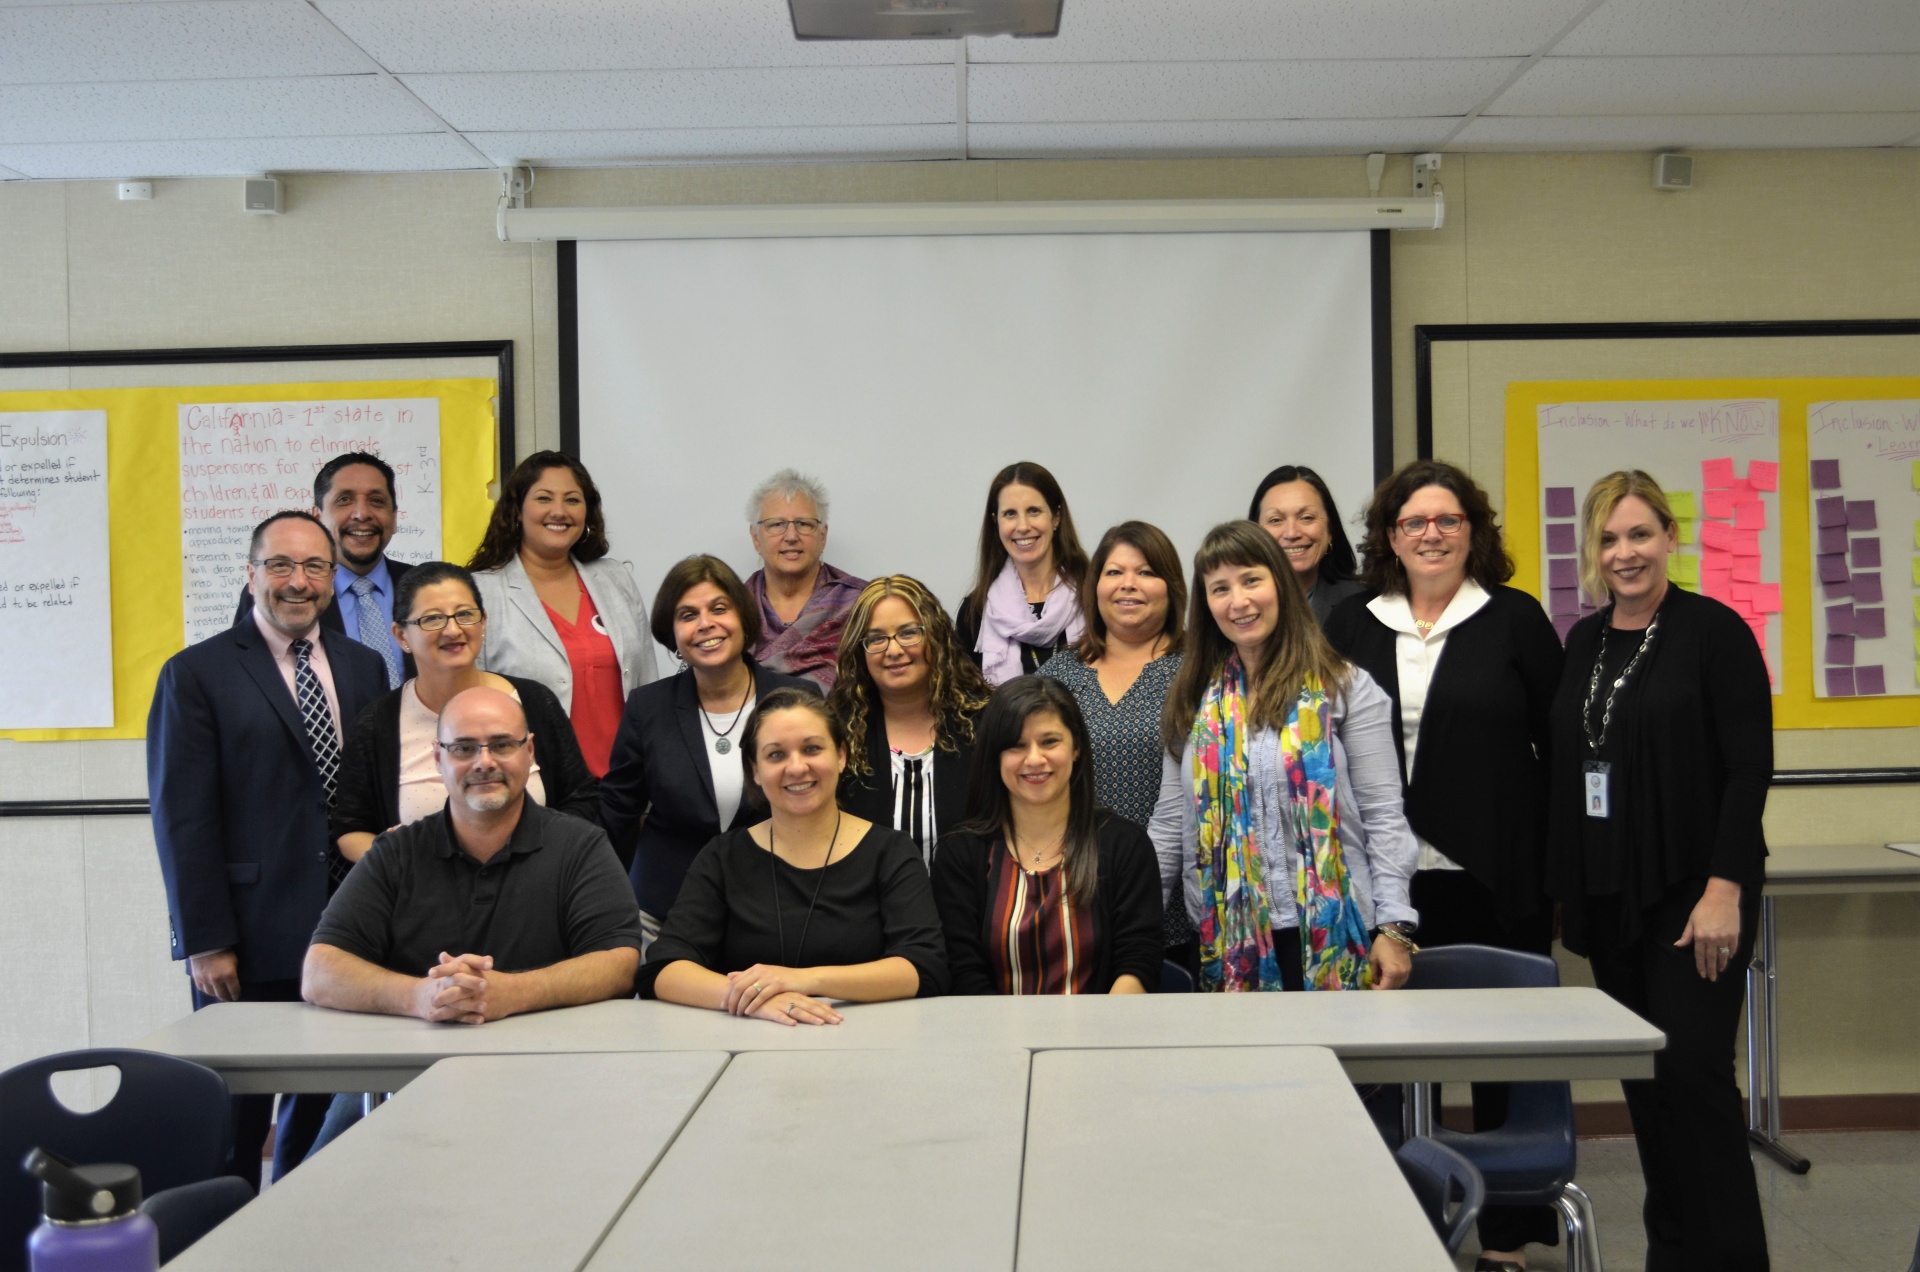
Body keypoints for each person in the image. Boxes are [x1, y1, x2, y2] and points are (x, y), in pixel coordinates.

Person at [1324, 459, 1565, 1267]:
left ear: (1473, 532)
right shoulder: (1352, 622)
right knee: (1379, 1059)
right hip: (1381, 882)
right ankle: (1380, 1221)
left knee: (1498, 1060)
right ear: (1390, 536)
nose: (1431, 533)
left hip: (1492, 872)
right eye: (1413, 521)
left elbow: (1558, 752)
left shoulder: (1514, 619)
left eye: (1448, 520)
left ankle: (1503, 1239)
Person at [1547, 471, 1770, 1271]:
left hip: (1692, 894)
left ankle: (1734, 1259)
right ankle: (1673, 1254)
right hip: (1614, 900)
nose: (1625, 553)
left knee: (1696, 1079)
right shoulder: (1583, 639)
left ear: (1671, 538)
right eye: (1608, 539)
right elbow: (1572, 771)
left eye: (1639, 534)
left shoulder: (1715, 631)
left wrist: (1724, 888)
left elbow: (1749, 771)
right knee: (1647, 1085)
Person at [148, 510, 388, 1184]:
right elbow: (182, 818)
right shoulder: (196, 674)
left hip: (345, 933)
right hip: (244, 940)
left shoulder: (364, 667)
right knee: (232, 1129)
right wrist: (204, 939)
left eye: (314, 567)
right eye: (280, 565)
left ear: (332, 578)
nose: (297, 581)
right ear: (252, 574)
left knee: (318, 1129)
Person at [1148, 520, 1419, 993]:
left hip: (1340, 935)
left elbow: (1383, 817)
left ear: (1280, 583)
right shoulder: (1193, 701)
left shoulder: (1347, 688)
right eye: (1220, 589)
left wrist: (1394, 927)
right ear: (1206, 604)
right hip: (1226, 942)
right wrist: (1128, 926)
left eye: (1251, 580)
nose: (1239, 601)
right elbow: (1171, 827)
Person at [304, 687, 641, 1025]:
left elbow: (619, 964)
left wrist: (514, 992)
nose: (484, 762)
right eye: (464, 748)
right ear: (438, 758)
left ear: (530, 751)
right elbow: (320, 972)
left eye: (502, 745)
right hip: (418, 1060)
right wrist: (422, 996)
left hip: (550, 1060)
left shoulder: (581, 847)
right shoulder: (395, 853)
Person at [639, 687, 948, 1022]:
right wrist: (754, 998)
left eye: (812, 748)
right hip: (749, 1047)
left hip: (866, 1044)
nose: (797, 767)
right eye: (776, 755)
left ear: (841, 755)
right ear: (754, 771)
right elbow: (663, 967)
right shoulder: (722, 857)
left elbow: (924, 967)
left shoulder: (891, 852)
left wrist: (802, 980)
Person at [600, 555, 817, 949]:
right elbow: (618, 812)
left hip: (780, 906)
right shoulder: (647, 708)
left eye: (719, 608)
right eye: (687, 615)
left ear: (743, 617)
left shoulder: (797, 699)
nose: (705, 624)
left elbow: (825, 803)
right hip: (663, 913)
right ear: (673, 633)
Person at [330, 562, 601, 867]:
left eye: (465, 614)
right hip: (423, 901)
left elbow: (581, 799)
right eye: (432, 619)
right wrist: (398, 862)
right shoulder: (376, 724)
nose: (453, 629)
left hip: (533, 891)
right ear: (401, 635)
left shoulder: (534, 702)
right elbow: (350, 829)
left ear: (483, 622)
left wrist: (542, 857)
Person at [931, 677, 1163, 995]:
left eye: (1050, 741)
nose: (1035, 759)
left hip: (1103, 1035)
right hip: (993, 1038)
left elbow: (1138, 961)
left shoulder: (1125, 845)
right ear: (993, 756)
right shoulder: (960, 853)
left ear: (1077, 747)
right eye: (1016, 745)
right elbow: (963, 971)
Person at [1038, 521, 1191, 967]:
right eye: (1113, 572)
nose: (1128, 584)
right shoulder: (1057, 676)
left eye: (1145, 572)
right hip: (1072, 896)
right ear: (1095, 586)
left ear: (1171, 585)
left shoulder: (1200, 672)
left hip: (1178, 902)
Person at [468, 451, 660, 777]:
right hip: (535, 788)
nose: (559, 511)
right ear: (517, 510)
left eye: (573, 500)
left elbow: (647, 685)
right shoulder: (482, 592)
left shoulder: (615, 579)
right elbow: (472, 703)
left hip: (626, 788)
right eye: (544, 498)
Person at [829, 575, 991, 866]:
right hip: (866, 908)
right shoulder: (836, 733)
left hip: (969, 906)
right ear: (860, 651)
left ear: (936, 636)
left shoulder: (984, 721)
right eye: (876, 638)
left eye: (908, 633)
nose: (893, 650)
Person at [233, 452, 415, 688]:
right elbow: (247, 682)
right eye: (344, 500)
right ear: (317, 518)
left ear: (394, 517)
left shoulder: (424, 588)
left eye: (377, 501)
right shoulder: (277, 594)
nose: (362, 514)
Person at [954, 461, 1090, 684]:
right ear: (995, 522)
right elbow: (967, 702)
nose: (1023, 526)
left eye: (1033, 511)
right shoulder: (975, 613)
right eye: (1010, 514)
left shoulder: (1093, 597)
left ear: (1056, 517)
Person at [742, 468, 866, 690]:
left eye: (804, 524)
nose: (791, 536)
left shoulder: (861, 605)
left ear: (822, 535)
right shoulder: (732, 611)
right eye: (776, 524)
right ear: (755, 538)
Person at [1248, 464, 1365, 627]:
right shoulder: (1236, 605)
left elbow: (1415, 623)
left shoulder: (1365, 601)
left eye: (1307, 518)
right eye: (1275, 520)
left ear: (1330, 530)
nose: (1291, 533)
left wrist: (1416, 623)